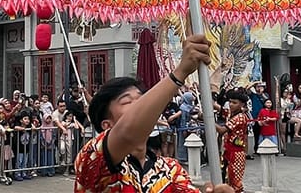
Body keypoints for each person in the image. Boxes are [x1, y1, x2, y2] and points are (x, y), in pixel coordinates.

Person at [74, 33, 234, 193]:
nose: (141, 105)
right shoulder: (92, 158)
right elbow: (128, 131)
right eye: (128, 101)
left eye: (142, 99)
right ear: (106, 124)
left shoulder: (170, 169)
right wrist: (180, 73)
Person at [215, 90, 251, 193]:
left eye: (234, 103)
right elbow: (220, 108)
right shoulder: (231, 113)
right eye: (230, 102)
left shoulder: (240, 117)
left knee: (235, 181)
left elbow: (222, 130)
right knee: (226, 179)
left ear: (242, 104)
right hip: (227, 151)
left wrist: (208, 120)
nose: (231, 104)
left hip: (236, 153)